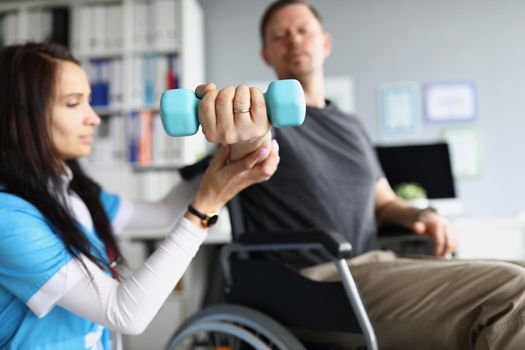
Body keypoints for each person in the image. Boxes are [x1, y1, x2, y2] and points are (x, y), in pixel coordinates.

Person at [229, 1, 525, 349]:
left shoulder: (351, 126)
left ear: (324, 43)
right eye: (280, 36)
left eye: (303, 31)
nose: (293, 40)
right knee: (513, 292)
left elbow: (384, 202)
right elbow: (246, 146)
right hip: (316, 286)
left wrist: (421, 214)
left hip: (374, 266)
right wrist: (243, 123)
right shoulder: (265, 119)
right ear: (267, 55)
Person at [0, 42, 279, 349]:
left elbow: (163, 211)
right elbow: (124, 313)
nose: (93, 118)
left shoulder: (75, 195)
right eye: (72, 103)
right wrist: (206, 206)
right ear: (18, 115)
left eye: (89, 101)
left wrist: (225, 141)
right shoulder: (8, 219)